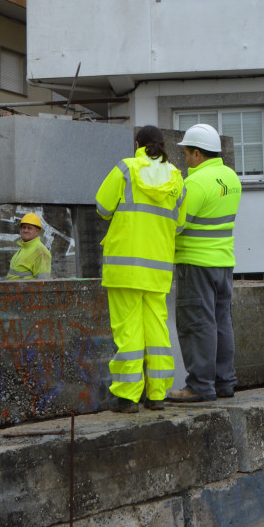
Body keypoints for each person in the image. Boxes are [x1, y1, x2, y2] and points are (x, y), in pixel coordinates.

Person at [95, 125, 185, 413]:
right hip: (158, 268)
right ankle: (157, 394)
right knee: (158, 331)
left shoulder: (126, 169)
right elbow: (179, 224)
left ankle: (128, 397)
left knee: (128, 332)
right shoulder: (176, 177)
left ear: (137, 144)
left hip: (125, 266)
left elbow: (102, 207)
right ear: (162, 145)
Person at [167, 123, 242, 403]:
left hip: (196, 263)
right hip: (223, 261)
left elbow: (176, 224)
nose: (184, 159)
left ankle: (199, 385)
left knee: (197, 324)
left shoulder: (196, 183)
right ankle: (224, 382)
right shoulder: (230, 177)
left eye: (186, 153)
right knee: (221, 322)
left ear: (197, 154)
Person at [7, 212, 52, 279]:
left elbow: (43, 283)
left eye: (29, 228)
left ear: (37, 231)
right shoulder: (24, 248)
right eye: (23, 227)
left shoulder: (41, 251)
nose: (25, 230)